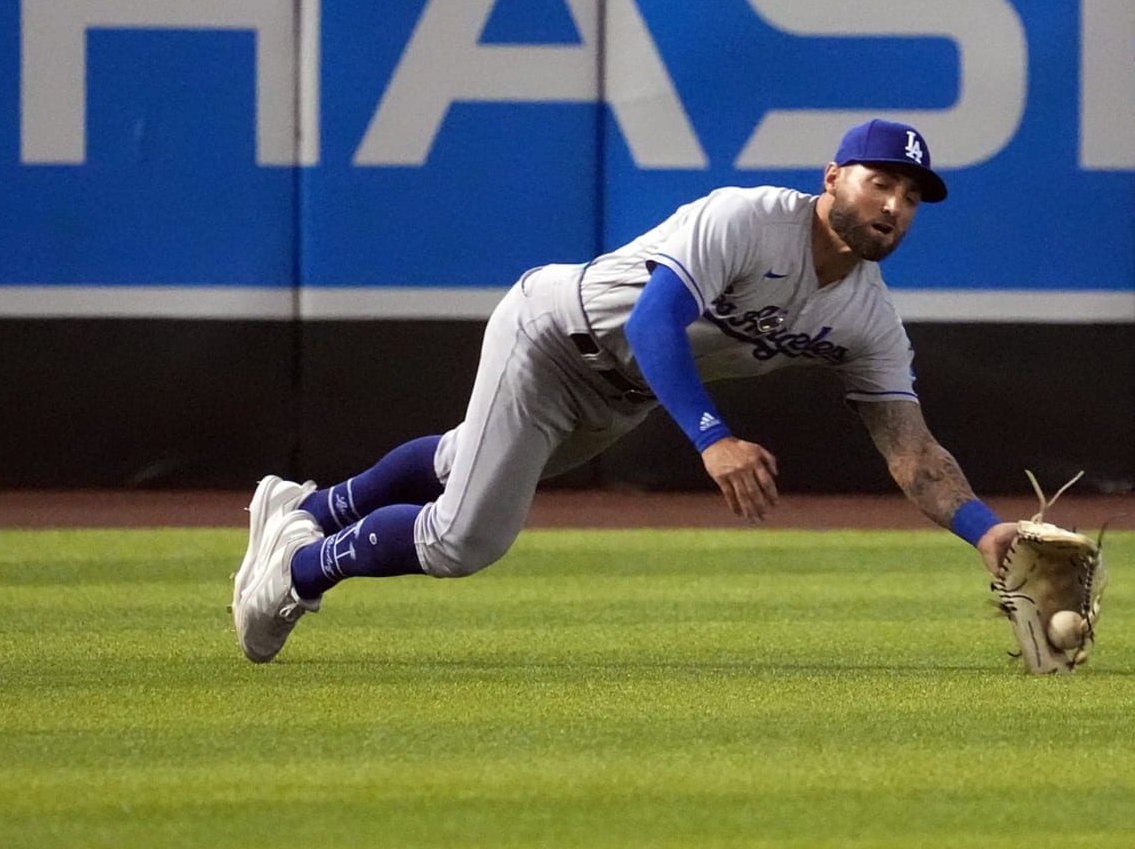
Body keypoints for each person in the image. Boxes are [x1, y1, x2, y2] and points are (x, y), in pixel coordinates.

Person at [231, 117, 1019, 663]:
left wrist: (985, 533)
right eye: (881, 182)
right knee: (464, 537)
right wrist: (715, 438)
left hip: (619, 397)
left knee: (467, 458)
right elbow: (653, 323)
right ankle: (296, 571)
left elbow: (912, 453)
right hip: (551, 334)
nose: (894, 206)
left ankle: (305, 509)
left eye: (912, 197)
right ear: (834, 177)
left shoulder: (868, 318)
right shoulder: (747, 219)